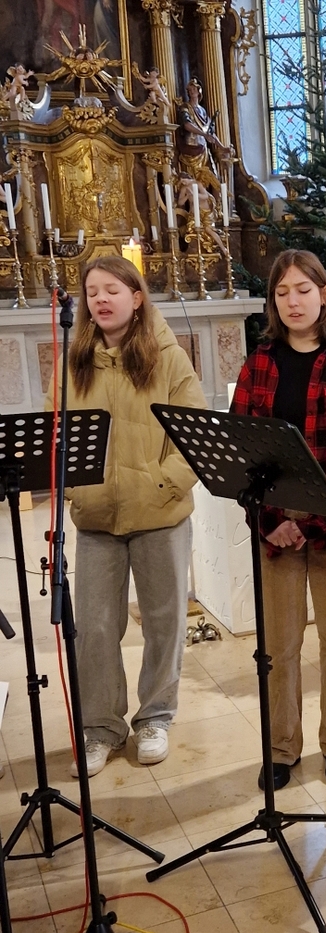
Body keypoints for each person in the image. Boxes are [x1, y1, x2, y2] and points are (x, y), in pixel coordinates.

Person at [45, 256, 205, 776]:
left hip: (160, 513)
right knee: (94, 628)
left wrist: (162, 483)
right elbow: (56, 434)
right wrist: (78, 491)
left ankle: (155, 717)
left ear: (136, 298)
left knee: (164, 622)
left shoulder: (168, 357)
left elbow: (194, 434)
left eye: (111, 289)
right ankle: (100, 728)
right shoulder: (74, 363)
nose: (100, 299)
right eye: (92, 292)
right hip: (96, 518)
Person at [230, 250, 326, 790]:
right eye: (282, 292)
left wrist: (313, 523)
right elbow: (241, 450)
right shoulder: (259, 363)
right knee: (280, 645)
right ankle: (282, 748)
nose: (293, 301)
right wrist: (269, 521)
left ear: (323, 294)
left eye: (303, 290)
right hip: (275, 523)